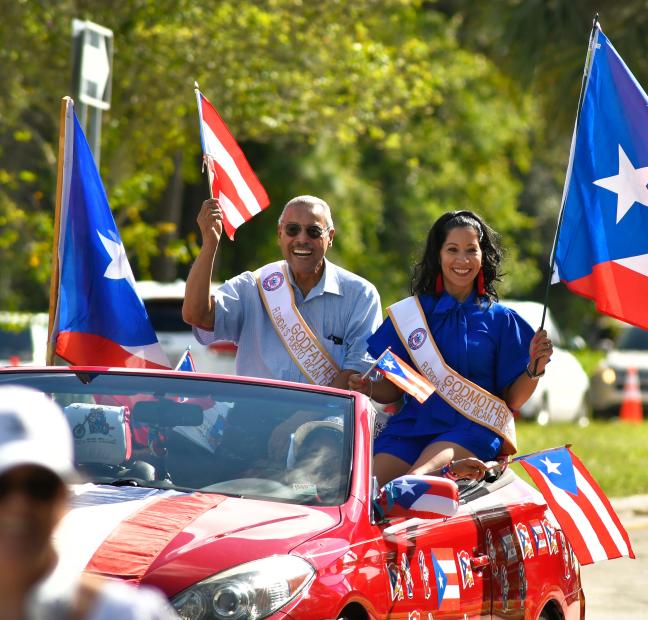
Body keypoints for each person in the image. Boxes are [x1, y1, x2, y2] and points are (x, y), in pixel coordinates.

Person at [350, 210, 553, 485]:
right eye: (453, 249)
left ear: (483, 257)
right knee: (363, 489)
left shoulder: (501, 319)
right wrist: (369, 387)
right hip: (413, 426)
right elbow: (398, 388)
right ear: (439, 255)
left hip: (471, 429)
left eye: (471, 250)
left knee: (412, 485)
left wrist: (535, 367)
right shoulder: (412, 316)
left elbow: (513, 400)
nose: (462, 260)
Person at [182, 195, 381, 457]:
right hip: (251, 420)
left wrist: (297, 422)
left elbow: (356, 375)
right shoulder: (255, 285)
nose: (302, 239)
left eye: (313, 231)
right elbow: (196, 315)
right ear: (280, 234)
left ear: (330, 236)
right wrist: (210, 244)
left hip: (325, 426)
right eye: (292, 230)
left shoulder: (360, 294)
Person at [0, 386, 177, 619]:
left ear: (64, 495)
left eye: (39, 487)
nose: (19, 504)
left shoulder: (130, 614)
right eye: (3, 486)